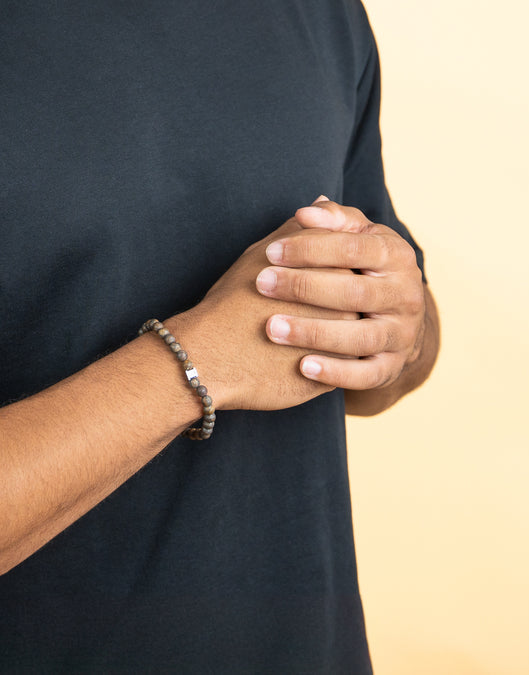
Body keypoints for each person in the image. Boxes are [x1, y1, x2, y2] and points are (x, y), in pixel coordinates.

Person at [0, 1, 439, 672]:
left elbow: (393, 364)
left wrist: (397, 331)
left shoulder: (324, 15)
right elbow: (237, 354)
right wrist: (196, 363)